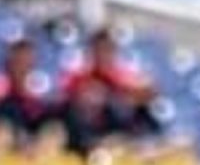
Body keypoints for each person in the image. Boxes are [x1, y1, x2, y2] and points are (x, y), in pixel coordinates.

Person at [61, 24, 163, 155]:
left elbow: (148, 91)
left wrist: (134, 95)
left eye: (108, 49)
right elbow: (67, 96)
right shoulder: (81, 76)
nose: (103, 54)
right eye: (99, 49)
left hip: (115, 132)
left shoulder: (120, 76)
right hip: (84, 133)